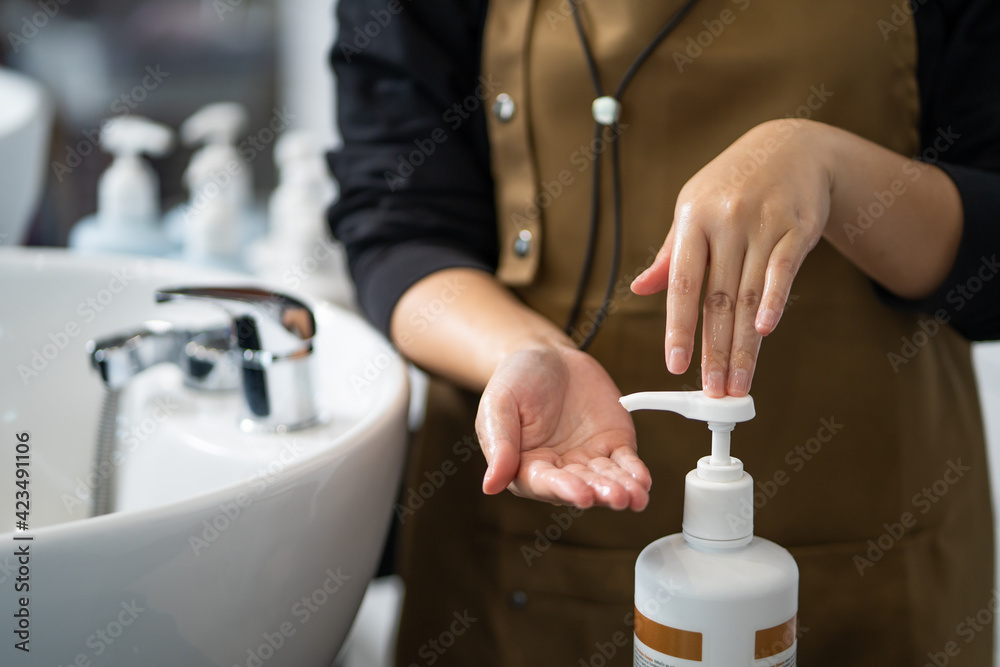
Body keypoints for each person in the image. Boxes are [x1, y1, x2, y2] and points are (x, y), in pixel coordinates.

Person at [328, 0, 1000, 664]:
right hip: (532, 567)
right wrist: (523, 351)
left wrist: (834, 169)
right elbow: (398, 226)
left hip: (883, 562)